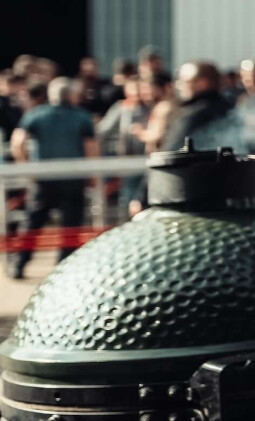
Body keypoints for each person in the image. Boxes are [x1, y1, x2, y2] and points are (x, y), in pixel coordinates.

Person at [9, 78, 98, 278]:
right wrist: (93, 173)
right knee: (71, 225)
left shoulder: (36, 114)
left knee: (33, 222)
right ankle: (64, 267)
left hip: (43, 178)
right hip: (73, 178)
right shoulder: (82, 116)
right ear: (71, 95)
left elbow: (18, 142)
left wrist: (26, 167)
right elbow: (91, 147)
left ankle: (19, 264)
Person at [97, 74, 154, 214]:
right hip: (127, 156)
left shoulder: (150, 107)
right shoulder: (121, 107)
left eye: (139, 88)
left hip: (146, 156)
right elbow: (104, 130)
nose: (136, 92)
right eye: (132, 89)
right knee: (128, 193)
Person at [161, 61, 238, 152]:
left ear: (202, 84)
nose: (178, 86)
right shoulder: (232, 109)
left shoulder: (193, 116)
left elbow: (170, 153)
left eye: (184, 81)